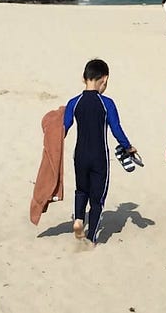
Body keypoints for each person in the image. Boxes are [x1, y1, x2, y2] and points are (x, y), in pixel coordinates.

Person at [62, 59, 137, 244]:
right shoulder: (107, 103)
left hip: (79, 155)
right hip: (99, 157)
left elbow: (63, 129)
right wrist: (128, 147)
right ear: (105, 79)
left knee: (81, 190)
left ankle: (79, 220)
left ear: (83, 78)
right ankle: (91, 237)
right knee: (97, 199)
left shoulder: (74, 102)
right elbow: (116, 129)